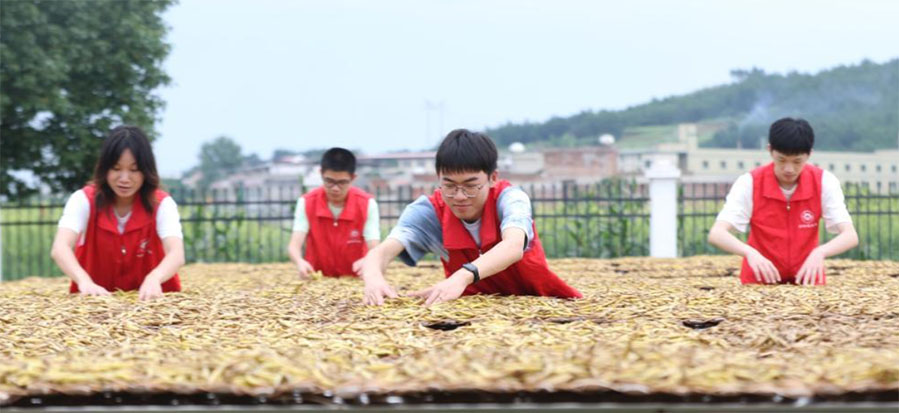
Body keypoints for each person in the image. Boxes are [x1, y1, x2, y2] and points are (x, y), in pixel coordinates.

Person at [359, 129, 582, 306]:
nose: (459, 196)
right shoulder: (428, 211)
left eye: (470, 186)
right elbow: (380, 253)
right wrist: (374, 279)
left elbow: (513, 245)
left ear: (492, 177)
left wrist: (461, 277)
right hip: (470, 305)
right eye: (449, 186)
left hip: (537, 301)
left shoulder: (511, 199)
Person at [708, 117, 858, 285]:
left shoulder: (824, 182)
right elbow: (717, 234)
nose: (789, 169)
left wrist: (820, 252)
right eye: (781, 160)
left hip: (807, 280)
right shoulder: (750, 182)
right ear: (770, 150)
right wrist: (750, 253)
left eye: (797, 161)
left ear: (809, 154)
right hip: (759, 281)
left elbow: (850, 235)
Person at [50, 126, 185, 300]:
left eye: (134, 170)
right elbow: (60, 248)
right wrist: (84, 281)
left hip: (156, 306)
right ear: (104, 169)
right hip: (94, 306)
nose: (124, 178)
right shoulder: (83, 200)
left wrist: (154, 278)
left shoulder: (162, 204)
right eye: (116, 168)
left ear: (146, 171)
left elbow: (176, 253)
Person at [287, 148, 380, 278]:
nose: (335, 188)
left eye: (342, 182)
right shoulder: (307, 202)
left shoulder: (367, 204)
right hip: (317, 278)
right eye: (329, 181)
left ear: (353, 178)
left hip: (357, 278)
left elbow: (374, 245)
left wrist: (368, 261)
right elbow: (294, 245)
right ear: (321, 174)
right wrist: (299, 262)